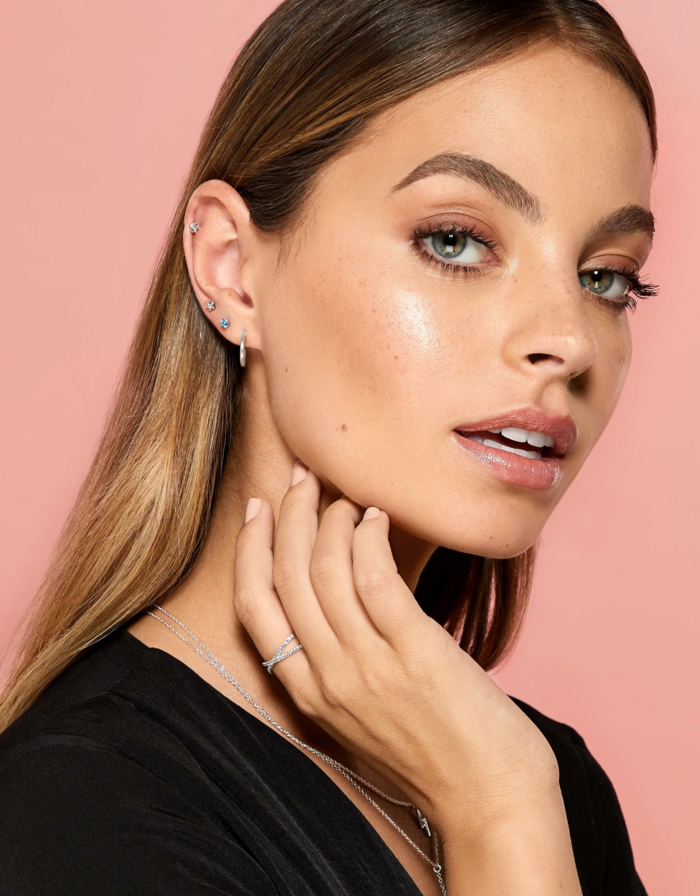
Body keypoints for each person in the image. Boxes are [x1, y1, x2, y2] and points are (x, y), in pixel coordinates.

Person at [0, 0, 656, 893]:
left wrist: (505, 799)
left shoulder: (546, 779)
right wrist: (498, 812)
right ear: (232, 267)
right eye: (455, 240)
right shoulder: (71, 805)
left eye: (604, 277)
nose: (570, 340)